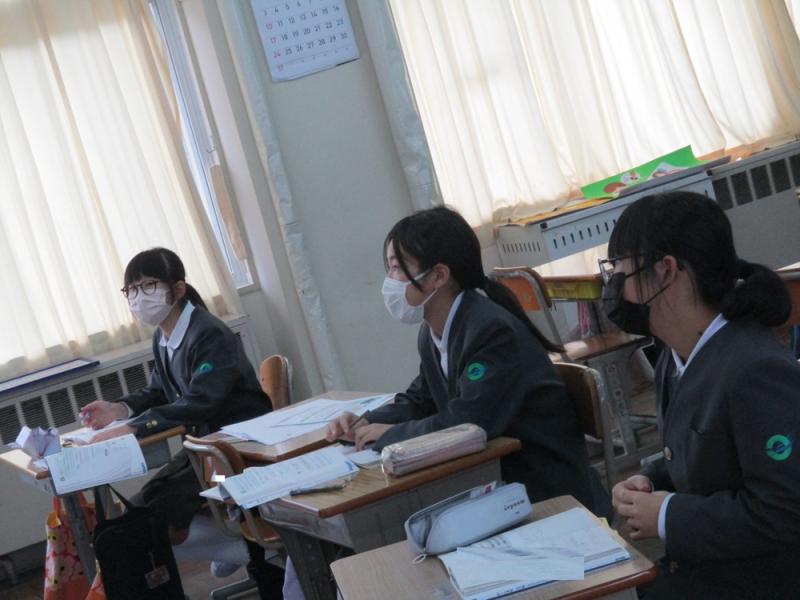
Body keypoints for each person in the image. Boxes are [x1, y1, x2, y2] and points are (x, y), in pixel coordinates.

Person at [326, 206, 605, 514]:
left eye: (396, 268)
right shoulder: (434, 330)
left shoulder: (489, 330)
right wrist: (366, 421)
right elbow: (421, 398)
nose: (389, 281)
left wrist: (391, 436)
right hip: (497, 479)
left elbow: (468, 421)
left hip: (542, 486)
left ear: (439, 276)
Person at [604, 192, 800, 598]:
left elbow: (784, 512)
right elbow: (707, 455)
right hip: (700, 574)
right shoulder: (675, 356)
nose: (614, 284)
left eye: (620, 267)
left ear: (667, 271)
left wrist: (668, 515)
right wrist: (649, 480)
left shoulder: (755, 369)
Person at [80, 248, 269, 544]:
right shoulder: (163, 336)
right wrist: (119, 409)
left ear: (178, 289)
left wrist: (135, 427)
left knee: (156, 514)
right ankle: (230, 540)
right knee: (142, 505)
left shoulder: (208, 334)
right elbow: (158, 391)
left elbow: (200, 402)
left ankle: (239, 543)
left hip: (235, 450)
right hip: (204, 448)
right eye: (131, 289)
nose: (138, 297)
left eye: (149, 286)